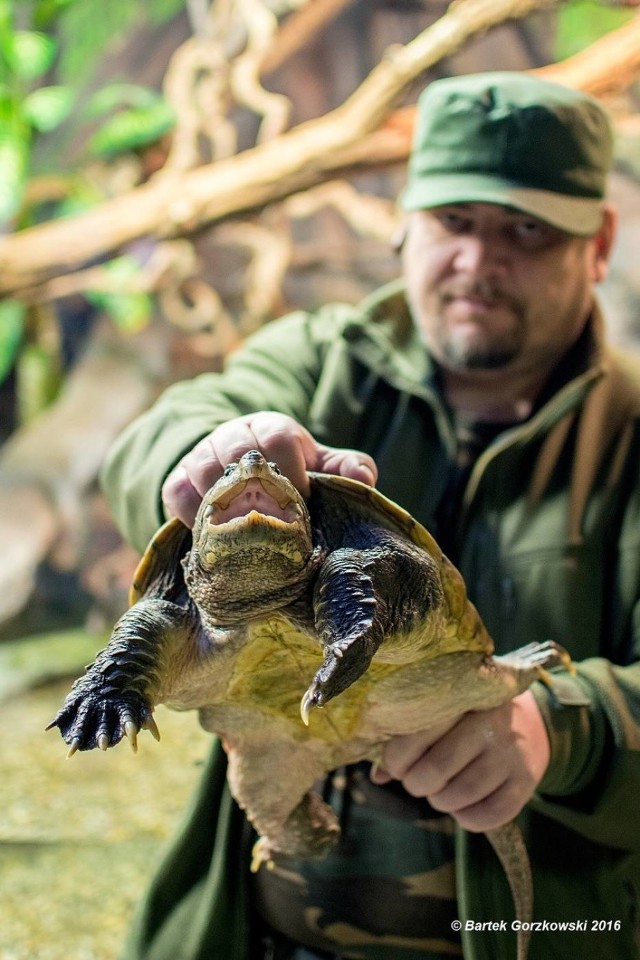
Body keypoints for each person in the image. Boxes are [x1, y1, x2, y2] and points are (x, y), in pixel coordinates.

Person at [102, 72, 640, 960]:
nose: (479, 261)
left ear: (600, 243)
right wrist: (204, 457)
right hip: (267, 933)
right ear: (402, 219)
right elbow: (144, 443)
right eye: (453, 222)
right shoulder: (317, 362)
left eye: (528, 231)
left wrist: (568, 725)